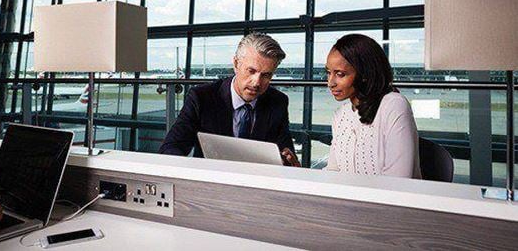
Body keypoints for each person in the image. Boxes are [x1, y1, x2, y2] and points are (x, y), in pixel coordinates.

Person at [159, 32, 300, 166]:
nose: (256, 82)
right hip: (212, 182)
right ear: (236, 64)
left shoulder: (278, 101)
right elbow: (171, 147)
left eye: (266, 75)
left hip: (257, 183)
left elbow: (285, 150)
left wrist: (288, 159)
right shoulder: (202, 97)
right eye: (251, 71)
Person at [323, 34, 421, 178]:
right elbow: (333, 172)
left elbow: (398, 181)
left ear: (364, 74)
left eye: (340, 74)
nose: (330, 83)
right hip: (349, 198)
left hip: (389, 199)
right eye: (328, 73)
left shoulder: (394, 106)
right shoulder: (341, 115)